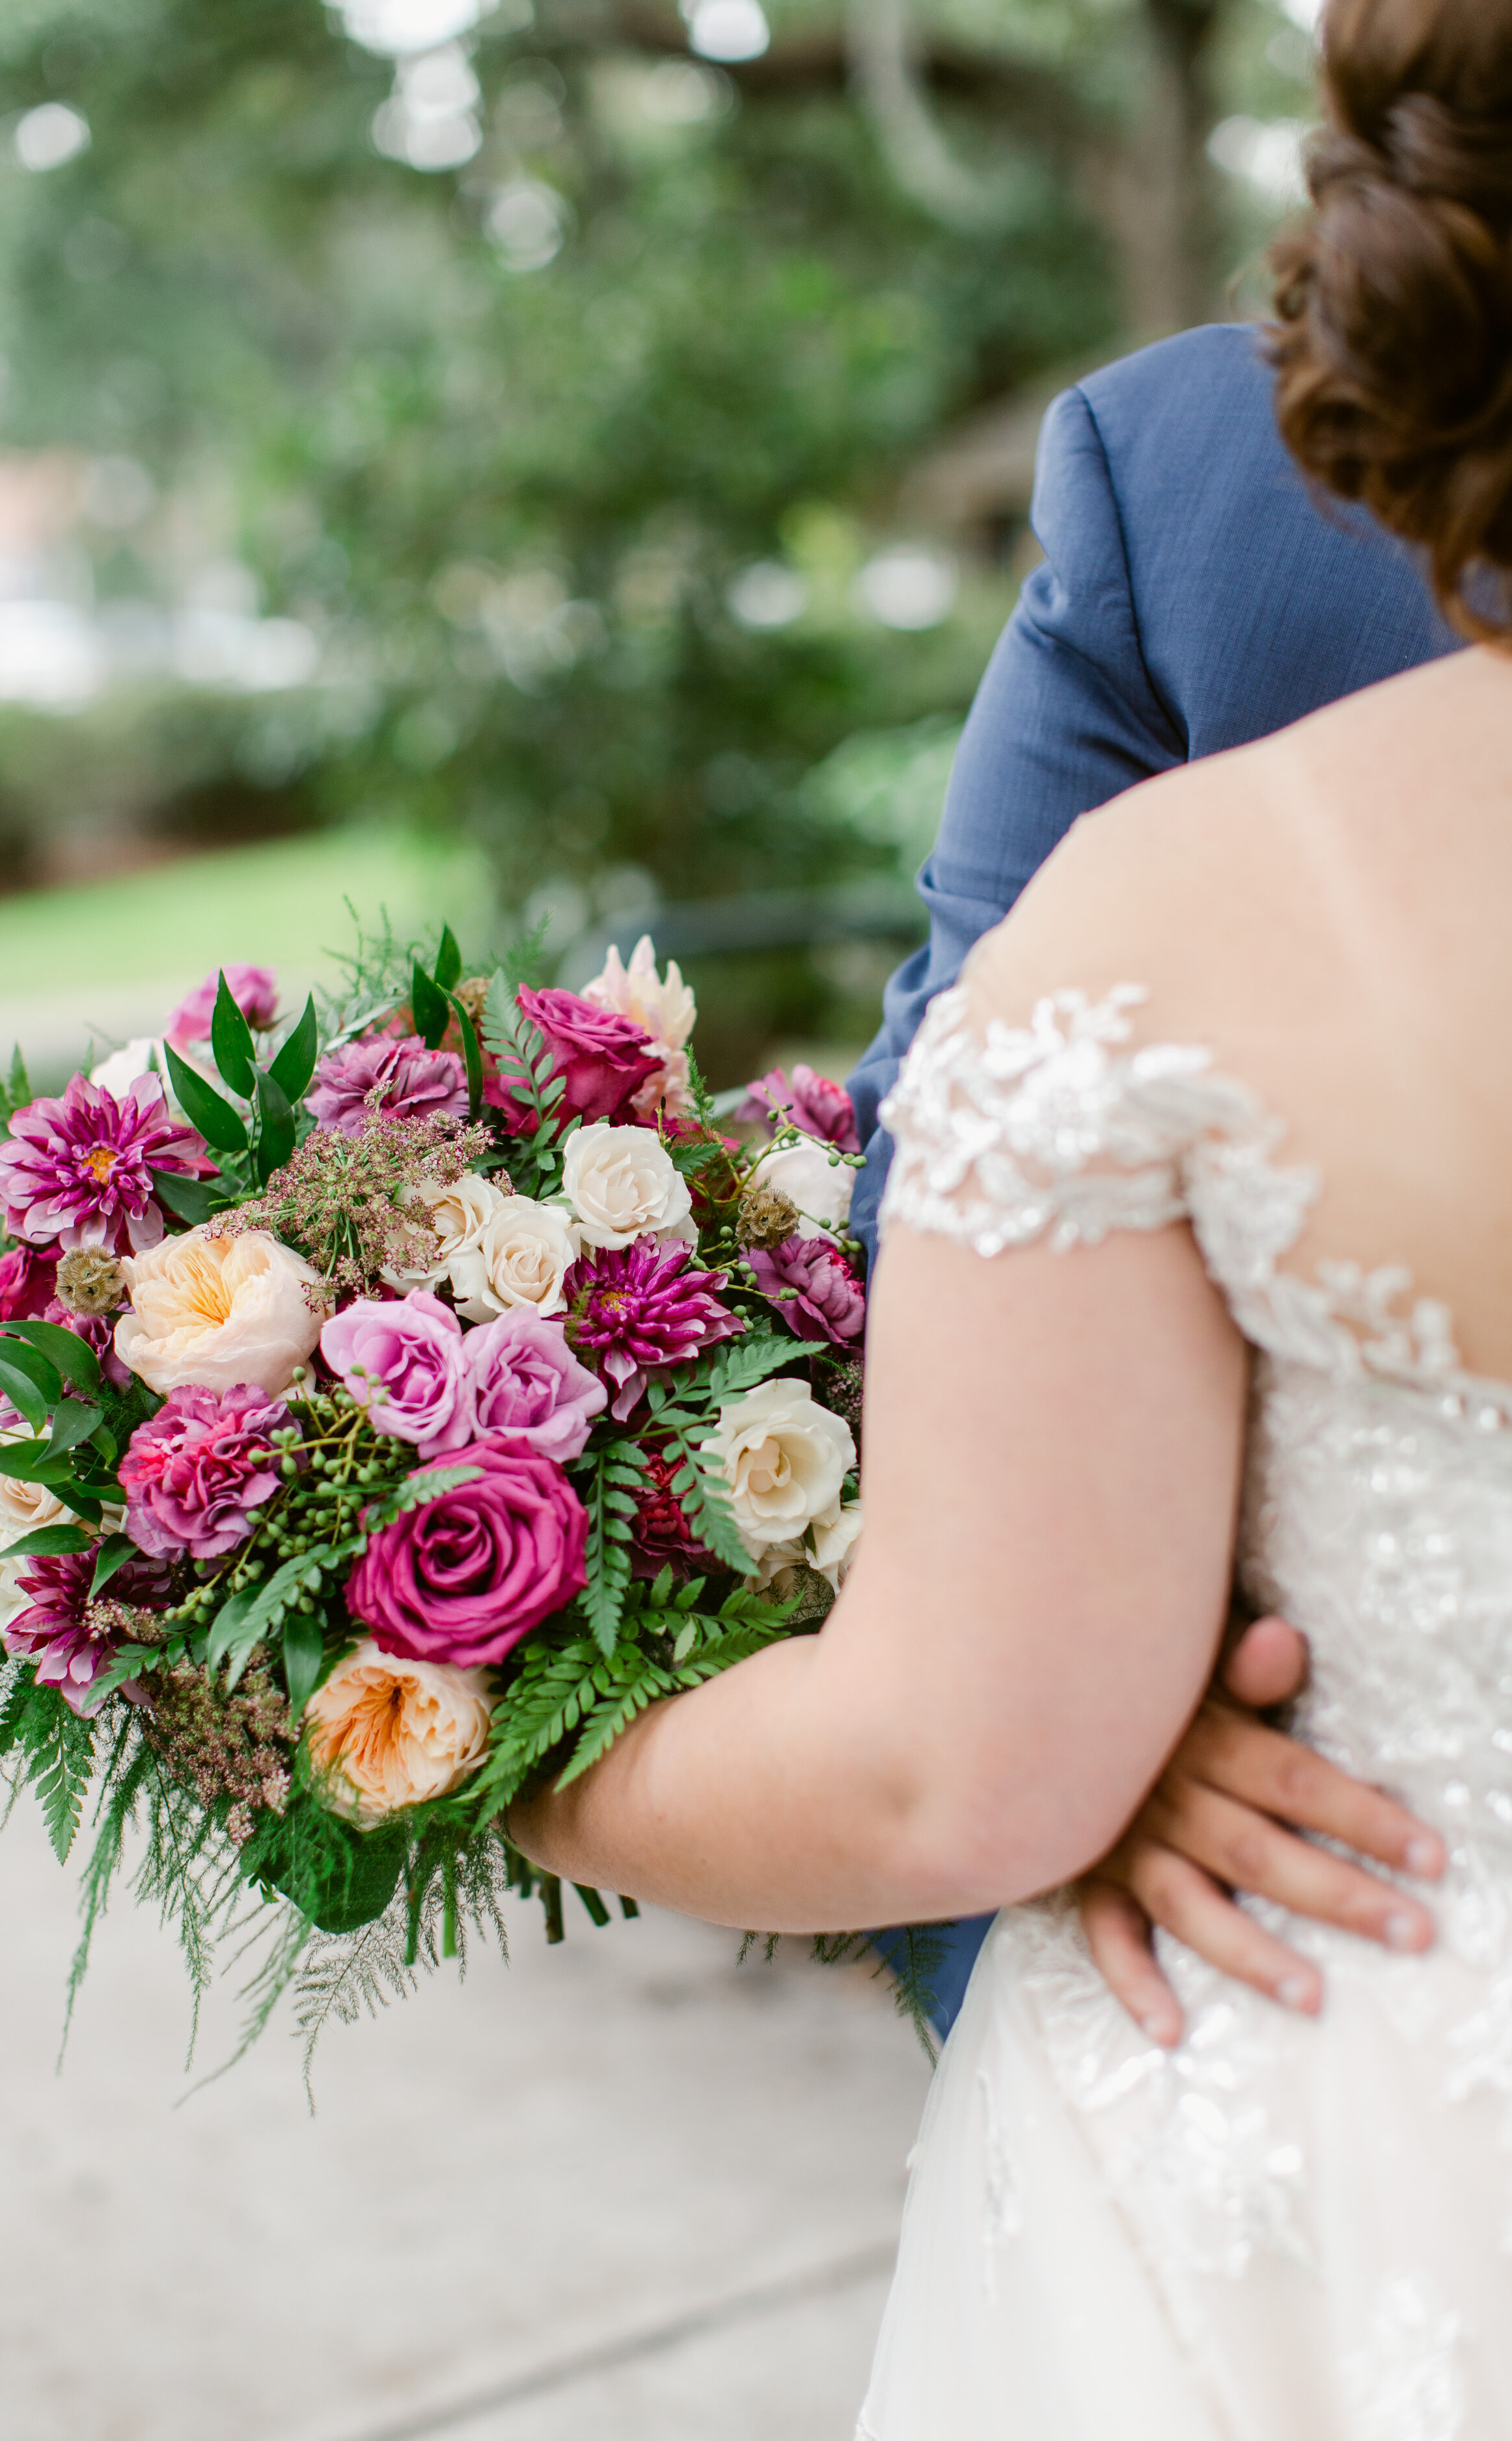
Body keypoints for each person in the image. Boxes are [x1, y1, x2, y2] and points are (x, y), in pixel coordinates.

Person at [510, 0, 1512, 2423]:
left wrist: (450, 1723)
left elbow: (942, 1756)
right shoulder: (1179, 488)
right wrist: (1097, 1656)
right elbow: (909, 1206)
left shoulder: (1175, 911)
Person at [847, 248, 1461, 2043]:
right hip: (1302, 1836)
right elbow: (958, 1136)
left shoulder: (1207, 460)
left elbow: (961, 1152)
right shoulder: (1201, 474)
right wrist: (1089, 1692)